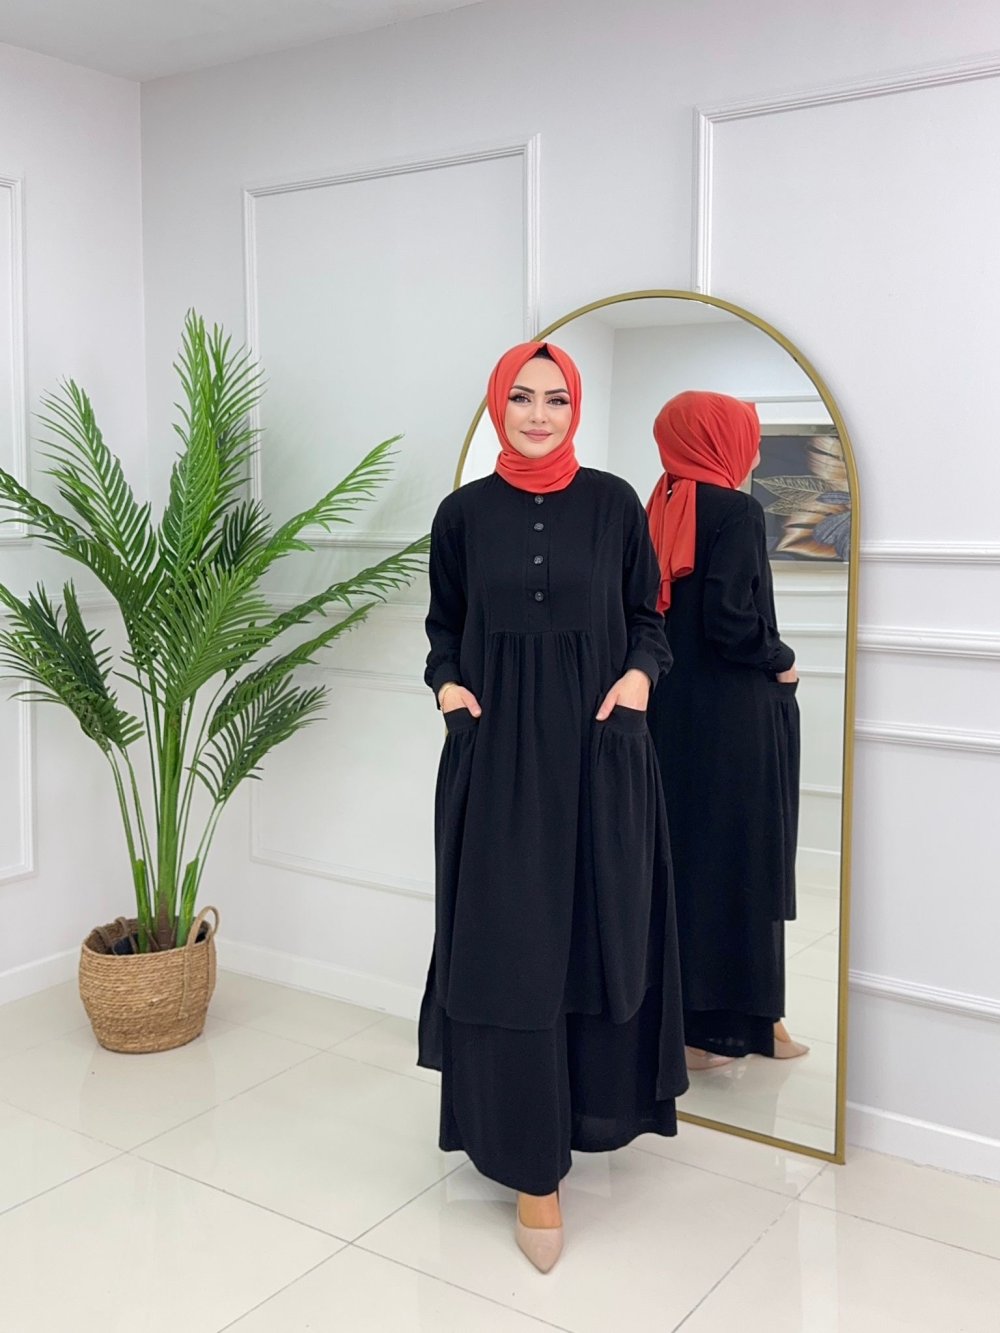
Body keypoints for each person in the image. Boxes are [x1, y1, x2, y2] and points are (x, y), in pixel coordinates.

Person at [417, 341, 687, 1273]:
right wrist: (448, 688)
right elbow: (443, 625)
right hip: (497, 759)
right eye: (523, 398)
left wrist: (640, 678)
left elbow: (649, 618)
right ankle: (532, 1167)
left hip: (600, 752)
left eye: (557, 399)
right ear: (501, 405)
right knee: (510, 949)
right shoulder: (462, 514)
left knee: (593, 934)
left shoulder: (613, 504)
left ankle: (586, 1111)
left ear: (576, 409)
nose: (539, 414)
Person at [644, 390, 808, 1070]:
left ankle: (696, 1028)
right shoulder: (737, 510)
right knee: (744, 861)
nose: (757, 453)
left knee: (689, 865)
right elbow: (732, 621)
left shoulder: (657, 506)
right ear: (721, 441)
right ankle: (738, 1027)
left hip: (667, 715)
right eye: (751, 438)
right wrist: (782, 659)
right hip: (732, 720)